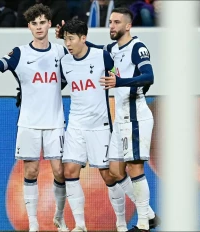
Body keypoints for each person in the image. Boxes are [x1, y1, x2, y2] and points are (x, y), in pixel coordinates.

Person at [57, 7, 159, 232]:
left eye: (116, 22)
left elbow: (149, 76)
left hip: (135, 114)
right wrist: (66, 35)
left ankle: (143, 223)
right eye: (110, 22)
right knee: (114, 171)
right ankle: (149, 213)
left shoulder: (137, 47)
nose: (111, 26)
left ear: (128, 26)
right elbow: (89, 48)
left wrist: (119, 83)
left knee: (134, 168)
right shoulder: (111, 50)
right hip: (121, 116)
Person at [0, 3, 68, 232]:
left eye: (42, 22)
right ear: (29, 26)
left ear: (49, 24)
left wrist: (67, 35)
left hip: (55, 122)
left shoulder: (60, 52)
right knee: (30, 172)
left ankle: (59, 217)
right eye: (34, 23)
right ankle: (33, 223)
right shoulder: (20, 53)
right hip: (29, 123)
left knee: (59, 171)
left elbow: (80, 63)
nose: (39, 27)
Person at [59, 18, 127, 232]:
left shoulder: (102, 56)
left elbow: (118, 75)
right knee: (69, 171)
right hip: (76, 124)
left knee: (108, 175)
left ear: (83, 38)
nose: (68, 44)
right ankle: (80, 225)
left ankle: (121, 222)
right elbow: (57, 86)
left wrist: (115, 78)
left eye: (71, 39)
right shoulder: (64, 62)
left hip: (100, 125)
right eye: (65, 39)